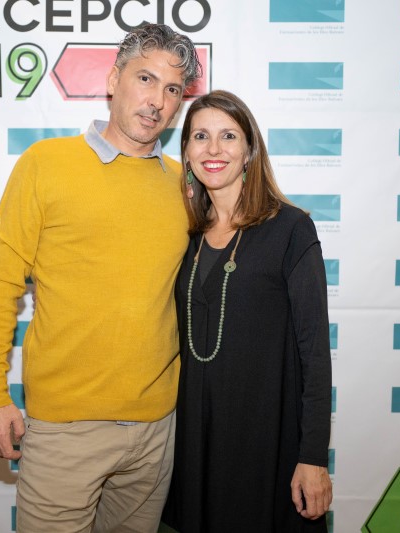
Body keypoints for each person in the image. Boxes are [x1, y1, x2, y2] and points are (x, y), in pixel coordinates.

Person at [0, 24, 202, 532]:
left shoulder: (183, 184)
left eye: (172, 89)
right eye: (145, 78)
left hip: (156, 429)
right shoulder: (46, 164)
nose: (157, 101)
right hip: (65, 431)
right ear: (114, 80)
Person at [162, 90, 333, 532]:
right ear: (186, 152)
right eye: (200, 136)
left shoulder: (291, 229)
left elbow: (315, 353)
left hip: (267, 445)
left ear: (249, 151)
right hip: (195, 445)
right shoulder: (185, 235)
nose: (213, 149)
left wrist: (313, 457)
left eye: (228, 136)